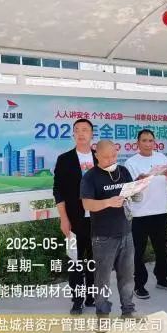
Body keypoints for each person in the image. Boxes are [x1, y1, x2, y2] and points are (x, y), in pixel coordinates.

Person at [81, 140, 145, 326]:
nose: (111, 160)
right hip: (103, 236)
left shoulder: (122, 171)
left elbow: (131, 192)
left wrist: (137, 192)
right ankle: (102, 316)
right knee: (102, 279)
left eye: (114, 156)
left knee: (127, 276)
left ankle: (128, 311)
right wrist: (108, 202)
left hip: (126, 232)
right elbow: (87, 204)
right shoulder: (90, 177)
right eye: (106, 157)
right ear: (96, 156)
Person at [125, 129, 167, 300]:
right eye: (144, 140)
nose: (148, 144)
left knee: (162, 249)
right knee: (138, 252)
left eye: (151, 141)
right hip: (139, 214)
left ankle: (162, 279)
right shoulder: (131, 163)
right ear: (138, 143)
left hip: (160, 211)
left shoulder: (161, 158)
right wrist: (139, 180)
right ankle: (139, 285)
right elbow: (129, 189)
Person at [53, 118, 97, 315]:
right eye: (77, 130)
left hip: (97, 219)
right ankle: (77, 300)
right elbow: (58, 191)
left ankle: (91, 296)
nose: (81, 133)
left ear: (92, 134)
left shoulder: (99, 158)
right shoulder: (65, 159)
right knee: (75, 260)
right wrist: (64, 218)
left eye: (85, 129)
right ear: (73, 134)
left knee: (94, 260)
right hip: (73, 219)